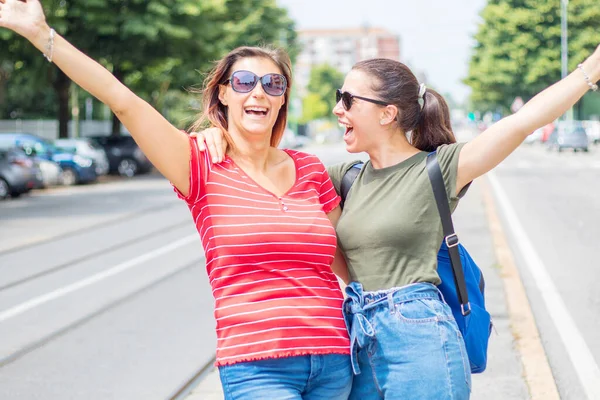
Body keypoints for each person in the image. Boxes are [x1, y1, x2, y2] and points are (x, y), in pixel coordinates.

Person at [195, 45, 600, 398]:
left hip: (418, 335)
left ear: (387, 114)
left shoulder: (439, 169)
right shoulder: (341, 177)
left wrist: (591, 69)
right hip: (357, 341)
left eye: (348, 100)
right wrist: (216, 136)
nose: (338, 108)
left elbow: (524, 121)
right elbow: (267, 167)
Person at [0, 1, 354, 399]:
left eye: (274, 84)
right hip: (258, 367)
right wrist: (40, 34)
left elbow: (350, 263)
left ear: (283, 99)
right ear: (223, 93)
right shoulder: (199, 163)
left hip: (334, 358)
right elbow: (123, 100)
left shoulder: (310, 169)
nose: (259, 92)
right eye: (244, 82)